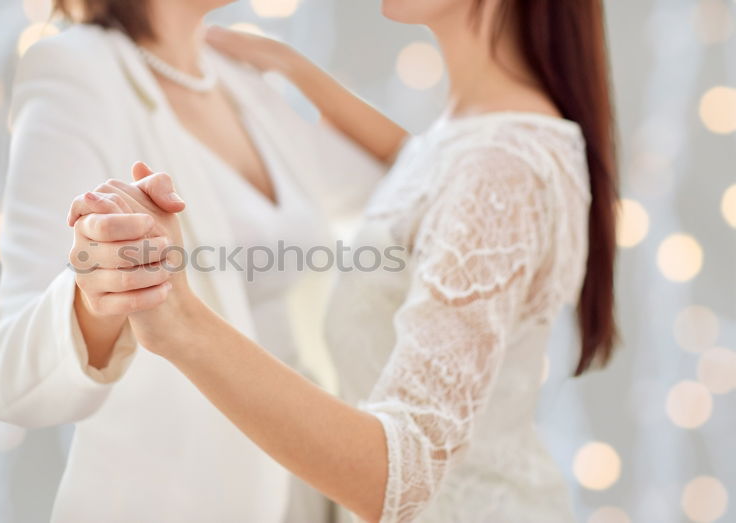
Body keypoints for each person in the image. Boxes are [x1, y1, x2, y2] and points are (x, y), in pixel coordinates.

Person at [68, 0, 619, 521]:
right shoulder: (474, 138)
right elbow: (423, 168)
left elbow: (399, 476)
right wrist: (296, 71)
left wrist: (180, 320)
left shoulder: (499, 168)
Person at [0, 0, 389, 521]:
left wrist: (299, 70)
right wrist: (98, 299)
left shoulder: (237, 81)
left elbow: (413, 192)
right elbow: (9, 382)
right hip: (191, 501)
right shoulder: (76, 71)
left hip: (313, 481)